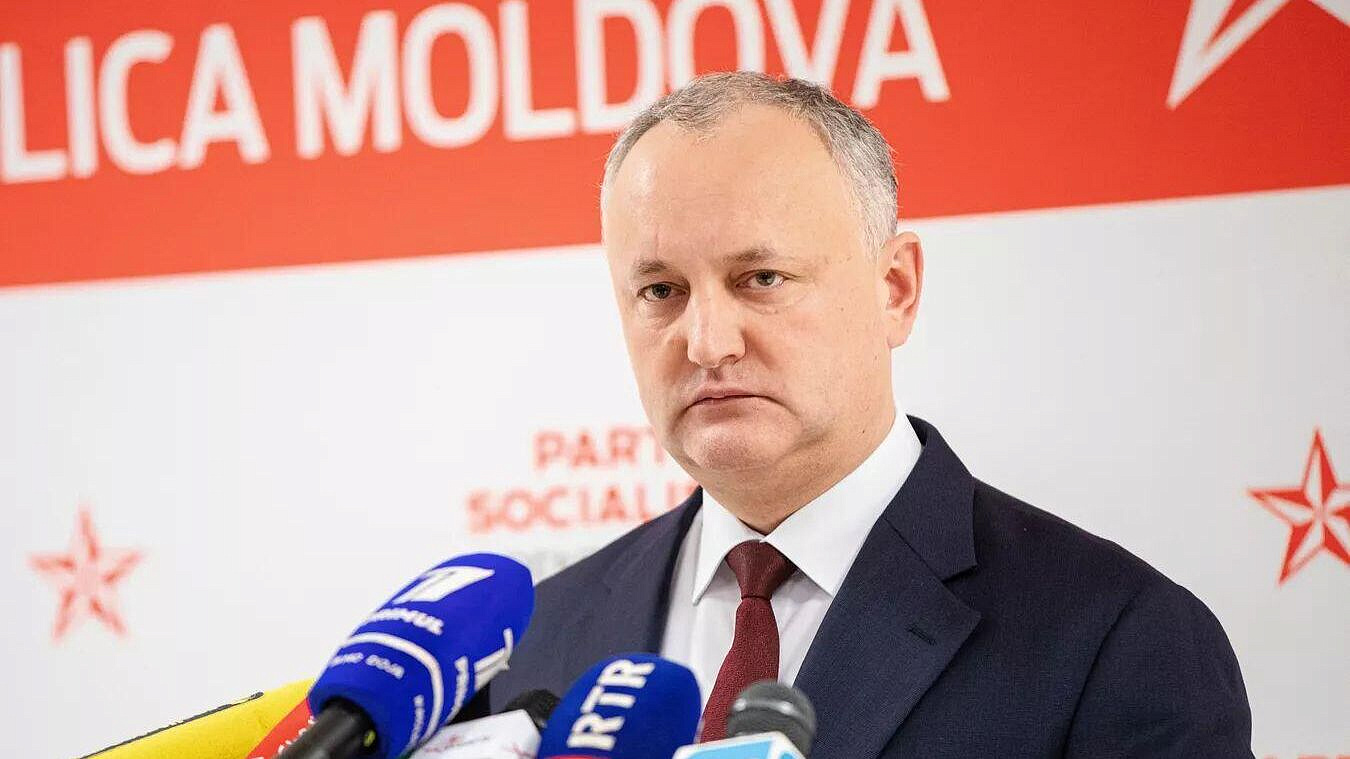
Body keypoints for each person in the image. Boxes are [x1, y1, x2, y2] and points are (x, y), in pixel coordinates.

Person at [487, 72, 1252, 757]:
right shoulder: (534, 640)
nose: (709, 342)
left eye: (761, 277)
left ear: (895, 289)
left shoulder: (1117, 639)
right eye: (661, 291)